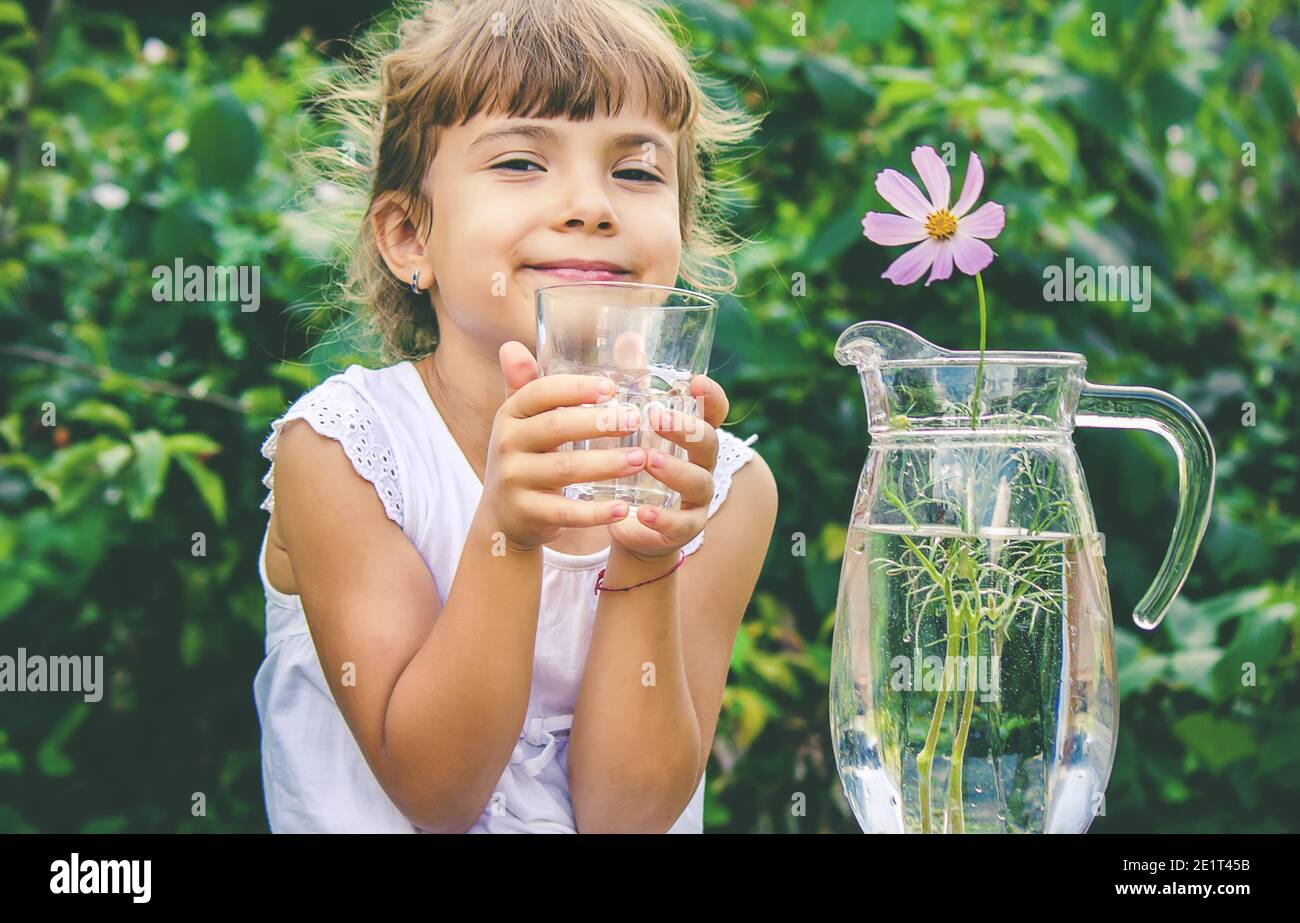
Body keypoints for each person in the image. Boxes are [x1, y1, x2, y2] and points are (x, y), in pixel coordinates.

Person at [253, 0, 778, 833]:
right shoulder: (342, 453)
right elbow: (434, 791)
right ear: (407, 237)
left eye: (637, 171)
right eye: (522, 163)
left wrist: (647, 552)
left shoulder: (724, 491)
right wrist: (509, 528)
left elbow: (627, 815)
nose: (590, 205)